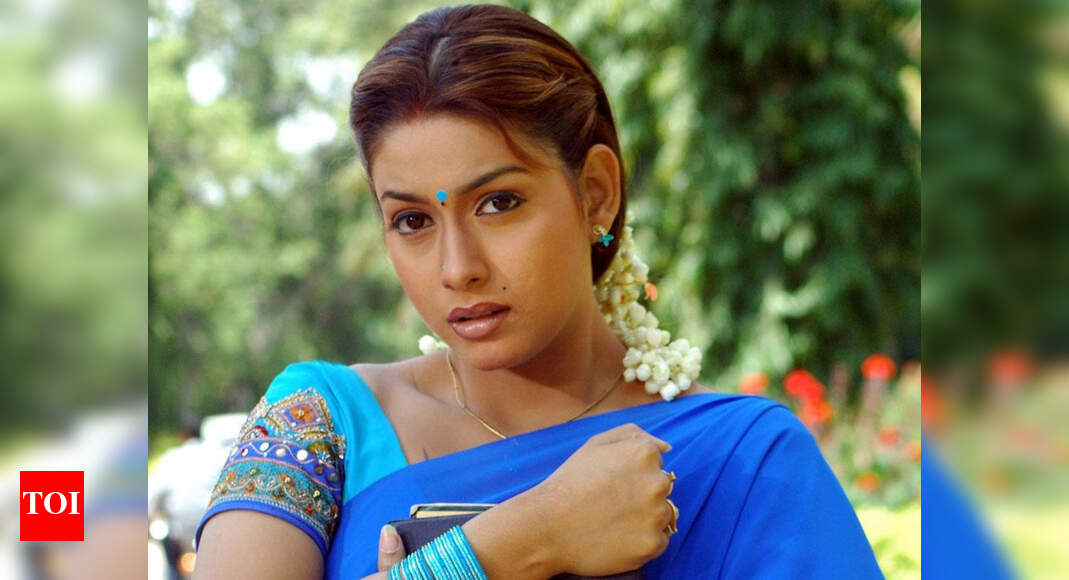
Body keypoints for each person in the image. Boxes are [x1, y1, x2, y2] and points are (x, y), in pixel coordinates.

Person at [192, 4, 882, 579]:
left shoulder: (744, 461)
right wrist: (520, 541)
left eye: (498, 203)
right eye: (412, 221)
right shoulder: (319, 422)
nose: (457, 267)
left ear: (596, 194)